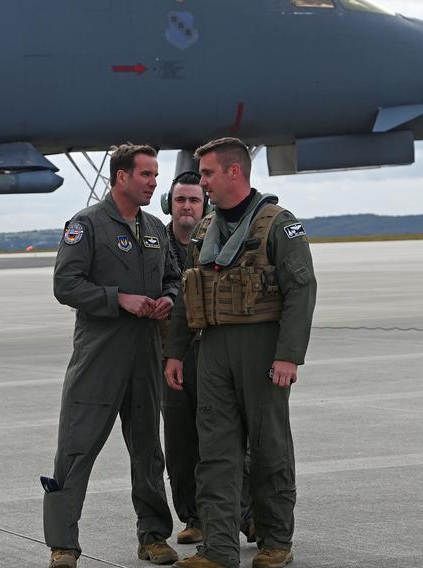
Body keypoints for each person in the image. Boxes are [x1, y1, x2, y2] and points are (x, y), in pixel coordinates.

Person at [164, 138, 317, 568]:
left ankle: (275, 540)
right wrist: (175, 353)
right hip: (211, 348)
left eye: (208, 173)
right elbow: (187, 291)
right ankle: (218, 548)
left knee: (269, 446)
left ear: (234, 172)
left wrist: (289, 355)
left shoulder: (277, 224)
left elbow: (301, 290)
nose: (203, 183)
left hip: (262, 348)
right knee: (215, 450)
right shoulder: (206, 231)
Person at [43, 144, 181, 568]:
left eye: (156, 175)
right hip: (99, 358)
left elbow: (173, 277)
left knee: (147, 451)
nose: (153, 183)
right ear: (121, 177)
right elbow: (65, 284)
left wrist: (168, 299)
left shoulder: (156, 227)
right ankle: (63, 545)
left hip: (145, 356)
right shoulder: (86, 226)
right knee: (77, 447)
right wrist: (116, 298)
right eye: (146, 175)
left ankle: (154, 536)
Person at [160, 172, 256, 547]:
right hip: (172, 353)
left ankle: (247, 516)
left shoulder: (220, 238)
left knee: (227, 439)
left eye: (193, 200)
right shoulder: (155, 241)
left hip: (215, 353)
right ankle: (194, 517)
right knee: (181, 441)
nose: (186, 206)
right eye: (180, 199)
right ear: (170, 205)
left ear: (205, 205)